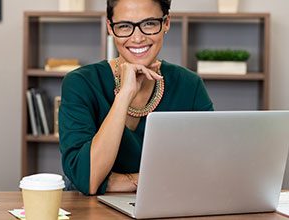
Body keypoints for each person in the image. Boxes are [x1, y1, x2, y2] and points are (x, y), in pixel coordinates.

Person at [59, 0, 214, 196]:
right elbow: (88, 179)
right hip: (92, 211)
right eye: (124, 26)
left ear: (166, 23)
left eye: (149, 23)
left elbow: (207, 169)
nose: (138, 38)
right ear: (110, 28)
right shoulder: (80, 83)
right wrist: (124, 95)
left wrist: (117, 182)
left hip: (167, 204)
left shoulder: (190, 85)